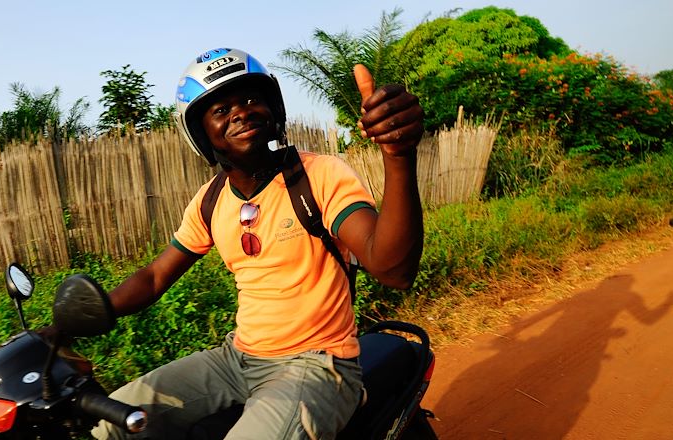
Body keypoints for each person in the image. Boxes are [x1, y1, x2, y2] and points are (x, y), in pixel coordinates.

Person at [92, 48, 424, 439]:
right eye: (220, 109)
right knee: (109, 424)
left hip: (317, 363)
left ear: (273, 109)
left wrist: (398, 156)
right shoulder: (210, 200)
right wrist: (75, 320)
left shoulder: (318, 176)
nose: (241, 112)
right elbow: (153, 278)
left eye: (251, 99)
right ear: (201, 133)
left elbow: (393, 269)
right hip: (237, 358)